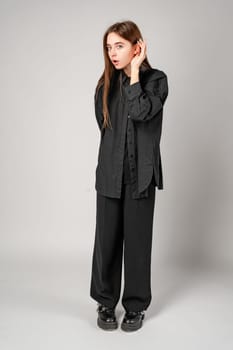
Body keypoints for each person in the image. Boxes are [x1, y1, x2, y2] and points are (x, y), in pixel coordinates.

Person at [90, 20, 169, 332]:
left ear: (138, 46)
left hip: (142, 176)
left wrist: (135, 73)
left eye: (119, 45)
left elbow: (141, 112)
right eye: (109, 47)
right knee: (106, 242)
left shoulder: (156, 81)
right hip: (110, 173)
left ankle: (135, 306)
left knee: (137, 244)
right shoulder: (104, 87)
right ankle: (105, 302)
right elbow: (105, 129)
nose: (112, 52)